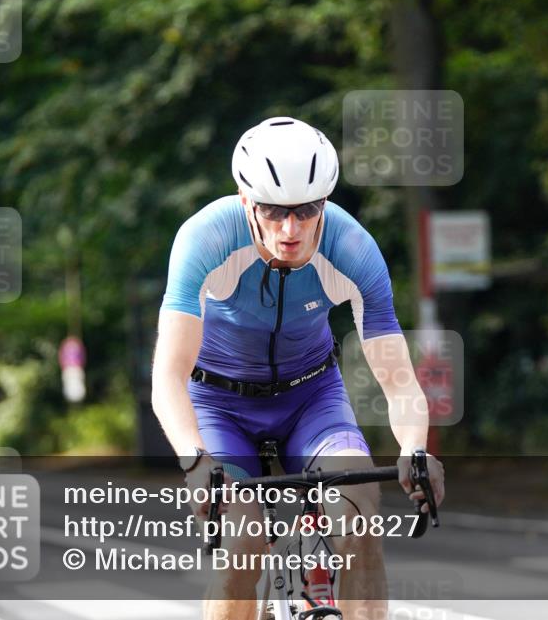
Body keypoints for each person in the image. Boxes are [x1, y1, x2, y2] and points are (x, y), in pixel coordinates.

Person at [152, 117, 445, 620]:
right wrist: (194, 460)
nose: (291, 229)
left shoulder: (352, 248)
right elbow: (168, 377)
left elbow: (398, 380)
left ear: (324, 203)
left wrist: (415, 449)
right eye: (273, 211)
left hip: (311, 399)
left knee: (359, 515)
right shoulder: (205, 239)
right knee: (241, 547)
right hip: (219, 405)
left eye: (307, 211)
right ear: (247, 201)